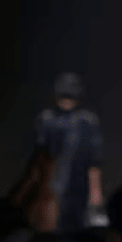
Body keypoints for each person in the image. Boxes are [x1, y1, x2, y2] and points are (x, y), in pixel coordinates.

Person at [33, 73, 103, 232]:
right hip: (52, 189)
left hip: (78, 188)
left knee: (77, 229)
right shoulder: (47, 120)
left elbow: (94, 161)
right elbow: (40, 158)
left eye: (70, 96)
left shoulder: (87, 122)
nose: (67, 101)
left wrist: (95, 193)